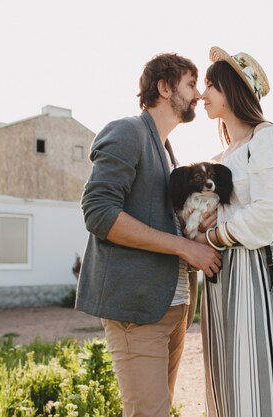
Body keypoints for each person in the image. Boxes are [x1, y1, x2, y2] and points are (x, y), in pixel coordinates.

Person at [76, 53, 222, 417]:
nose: (198, 94)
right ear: (164, 87)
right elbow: (99, 212)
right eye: (191, 84)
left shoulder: (170, 153)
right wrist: (185, 247)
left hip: (173, 309)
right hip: (137, 311)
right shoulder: (127, 131)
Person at [195, 47, 273, 416]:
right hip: (220, 276)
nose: (202, 94)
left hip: (255, 271)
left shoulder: (268, 139)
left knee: (257, 375)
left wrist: (209, 237)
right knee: (227, 380)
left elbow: (264, 217)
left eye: (210, 85)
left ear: (232, 89)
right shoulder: (223, 155)